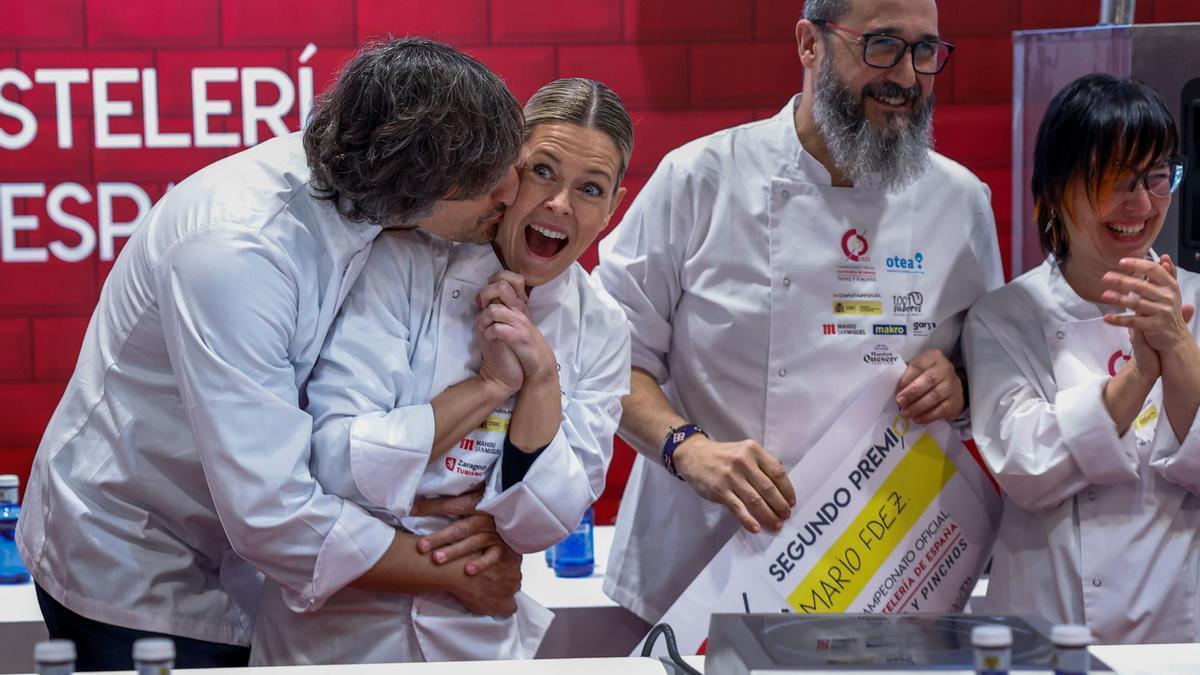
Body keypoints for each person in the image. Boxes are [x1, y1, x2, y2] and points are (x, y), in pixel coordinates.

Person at [16, 38, 529, 670]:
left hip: (249, 554)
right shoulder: (237, 250)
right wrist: (458, 573)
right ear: (421, 188)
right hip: (136, 557)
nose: (511, 193)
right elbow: (269, 510)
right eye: (488, 191)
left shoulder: (367, 193)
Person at [595, 0, 1003, 623]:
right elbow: (604, 357)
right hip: (699, 570)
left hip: (879, 572)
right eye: (883, 45)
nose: (907, 76)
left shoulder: (960, 201)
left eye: (926, 51)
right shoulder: (701, 180)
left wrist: (962, 387)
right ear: (809, 44)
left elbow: (994, 379)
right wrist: (686, 448)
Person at [249, 78, 633, 665]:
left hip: (475, 638)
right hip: (337, 632)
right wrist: (492, 386)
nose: (559, 204)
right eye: (544, 171)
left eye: (590, 189)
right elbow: (337, 463)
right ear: (506, 172)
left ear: (612, 209)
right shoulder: (401, 260)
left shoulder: (601, 325)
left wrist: (541, 379)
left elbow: (542, 527)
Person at [963, 74, 1197, 644]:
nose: (1141, 205)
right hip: (1048, 626)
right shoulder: (1006, 316)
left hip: (1181, 626)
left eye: (1157, 177)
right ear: (1054, 191)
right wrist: (1141, 375)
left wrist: (1179, 348)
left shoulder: (1195, 300)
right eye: (1116, 180)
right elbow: (1028, 468)